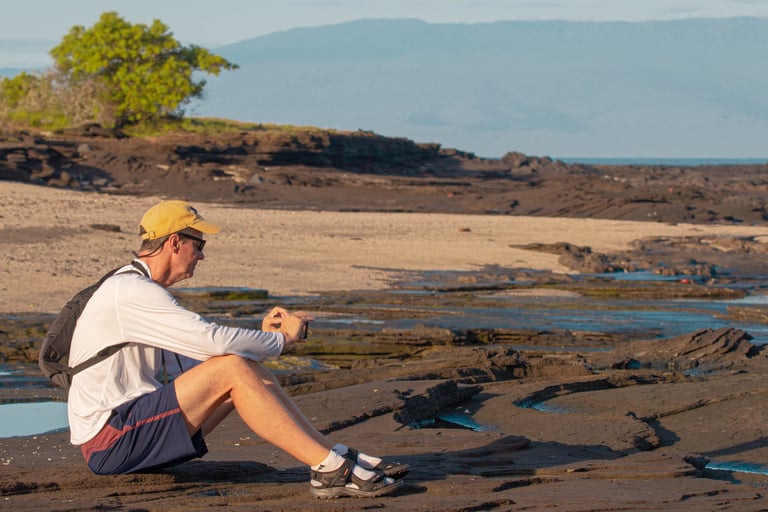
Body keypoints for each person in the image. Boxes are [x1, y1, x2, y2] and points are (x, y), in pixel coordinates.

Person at [67, 200, 407, 498]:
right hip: (113, 440)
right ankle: (329, 468)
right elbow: (211, 341)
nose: (202, 254)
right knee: (233, 368)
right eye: (198, 244)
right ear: (174, 243)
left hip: (129, 428)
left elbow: (201, 359)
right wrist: (281, 340)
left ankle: (332, 454)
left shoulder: (132, 288)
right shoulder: (131, 291)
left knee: (241, 366)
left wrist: (256, 337)